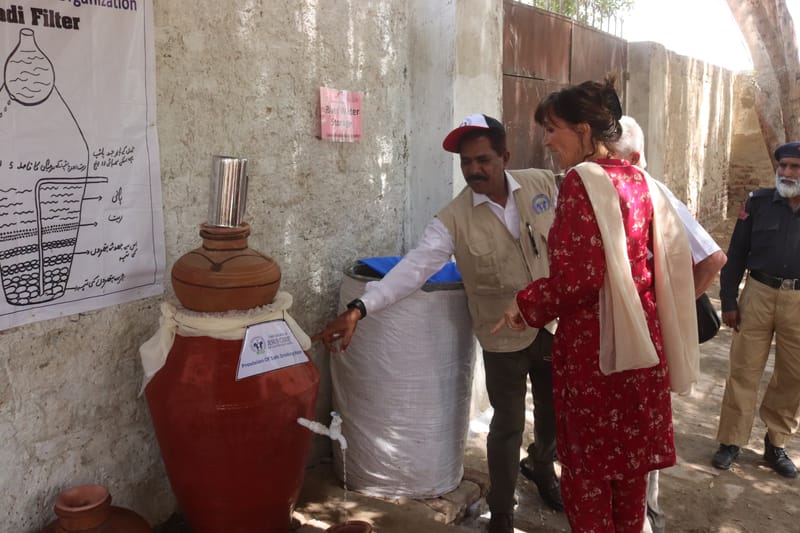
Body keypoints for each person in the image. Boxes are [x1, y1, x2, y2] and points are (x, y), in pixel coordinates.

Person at [313, 114, 561, 533]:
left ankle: (542, 463)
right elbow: (413, 270)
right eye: (466, 163)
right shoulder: (451, 220)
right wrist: (359, 307)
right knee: (508, 424)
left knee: (556, 413)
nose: (473, 170)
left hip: (554, 325)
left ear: (505, 155)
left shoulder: (543, 183)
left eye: (483, 159)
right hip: (504, 338)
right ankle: (501, 511)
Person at [494, 78, 699, 532]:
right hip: (642, 349)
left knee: (587, 483)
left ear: (584, 130)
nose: (547, 140)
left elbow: (580, 278)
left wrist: (524, 304)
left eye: (553, 129)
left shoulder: (581, 182)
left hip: (596, 357)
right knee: (628, 479)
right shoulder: (639, 181)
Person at [610, 115, 727, 533]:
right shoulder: (595, 191)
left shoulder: (655, 194)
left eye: (615, 157)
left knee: (642, 429)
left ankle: (645, 513)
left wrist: (668, 309)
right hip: (616, 336)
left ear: (636, 158)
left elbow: (714, 258)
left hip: (645, 333)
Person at [711, 141, 800, 479]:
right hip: (759, 294)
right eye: (784, 166)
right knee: (743, 370)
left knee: (793, 376)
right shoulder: (759, 203)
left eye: (795, 167)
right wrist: (729, 299)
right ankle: (730, 441)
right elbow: (736, 253)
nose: (788, 173)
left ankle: (776, 443)